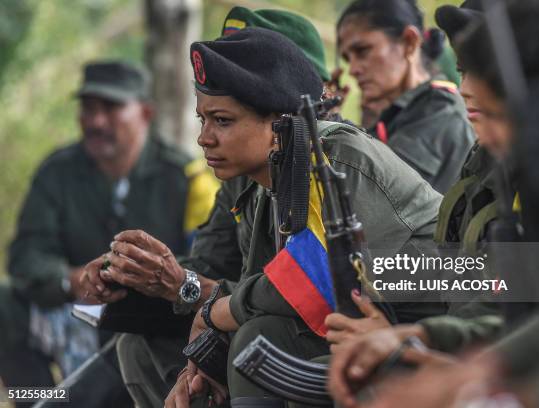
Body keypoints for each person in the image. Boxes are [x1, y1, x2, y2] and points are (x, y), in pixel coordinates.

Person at [95, 26, 443, 407]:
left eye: (223, 121)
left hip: (439, 318)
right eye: (203, 120)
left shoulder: (334, 159)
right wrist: (203, 356)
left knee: (260, 336)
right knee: (159, 346)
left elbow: (313, 278)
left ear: (279, 126)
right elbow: (262, 284)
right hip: (366, 321)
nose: (204, 138)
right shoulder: (268, 185)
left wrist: (217, 311)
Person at [328, 0, 539, 406]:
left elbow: (528, 302)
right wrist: (402, 319)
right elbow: (463, 271)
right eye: (463, 70)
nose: (466, 87)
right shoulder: (486, 157)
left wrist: (417, 343)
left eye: (483, 73)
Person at [0, 60, 219, 404]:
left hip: (148, 314)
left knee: (134, 333)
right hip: (73, 308)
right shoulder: (57, 171)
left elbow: (208, 259)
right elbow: (25, 256)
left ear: (145, 113)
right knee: (5, 303)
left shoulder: (185, 176)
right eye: (88, 109)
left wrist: (130, 277)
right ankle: (41, 400)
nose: (96, 121)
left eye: (112, 108)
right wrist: (72, 280)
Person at [336, 0, 475, 193]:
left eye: (363, 51)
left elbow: (378, 195)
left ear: (409, 42)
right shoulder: (398, 113)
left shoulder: (440, 111)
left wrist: (333, 126)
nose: (353, 69)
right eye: (347, 59)